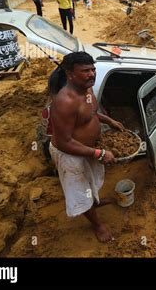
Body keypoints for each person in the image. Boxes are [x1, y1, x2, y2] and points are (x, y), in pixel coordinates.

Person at [49, 52, 124, 243]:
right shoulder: (65, 101)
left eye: (93, 70)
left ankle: (95, 201)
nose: (91, 74)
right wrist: (98, 153)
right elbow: (65, 142)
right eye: (85, 71)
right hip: (70, 155)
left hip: (88, 149)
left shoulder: (87, 90)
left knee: (92, 180)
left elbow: (91, 114)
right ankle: (97, 224)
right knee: (80, 191)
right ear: (70, 74)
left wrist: (110, 120)